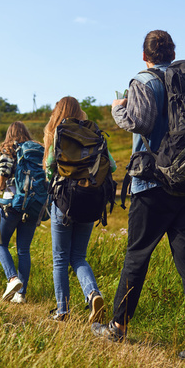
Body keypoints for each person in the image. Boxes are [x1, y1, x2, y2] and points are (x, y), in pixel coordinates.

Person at [91, 30, 185, 364]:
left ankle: (117, 327)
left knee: (137, 257)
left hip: (152, 183)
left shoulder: (145, 80)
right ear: (172, 53)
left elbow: (140, 121)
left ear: (145, 55)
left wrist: (119, 109)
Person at [44, 96, 114, 322]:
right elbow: (111, 165)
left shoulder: (57, 132)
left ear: (58, 112)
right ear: (80, 111)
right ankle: (93, 294)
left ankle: (63, 311)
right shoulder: (92, 133)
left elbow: (48, 168)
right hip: (90, 200)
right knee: (79, 257)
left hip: (64, 203)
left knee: (60, 259)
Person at [0, 121, 42, 304]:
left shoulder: (9, 148)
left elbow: (3, 174)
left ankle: (13, 279)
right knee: (23, 249)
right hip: (33, 205)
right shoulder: (37, 150)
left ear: (9, 134)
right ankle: (21, 295)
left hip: (11, 203)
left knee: (0, 244)